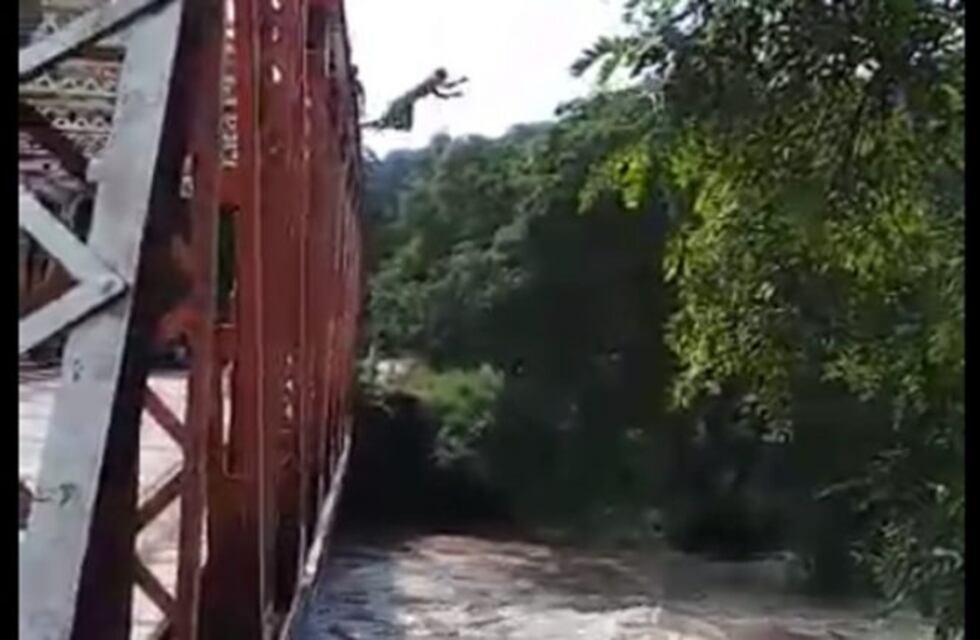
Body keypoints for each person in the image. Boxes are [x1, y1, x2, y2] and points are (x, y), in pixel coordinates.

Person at [363, 68, 468, 132]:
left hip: (407, 103)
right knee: (401, 125)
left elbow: (444, 90)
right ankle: (373, 125)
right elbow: (442, 92)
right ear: (440, 77)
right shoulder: (432, 80)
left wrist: (459, 84)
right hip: (404, 103)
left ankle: (374, 125)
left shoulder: (431, 81)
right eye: (442, 79)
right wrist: (456, 90)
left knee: (404, 126)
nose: (442, 81)